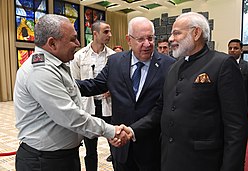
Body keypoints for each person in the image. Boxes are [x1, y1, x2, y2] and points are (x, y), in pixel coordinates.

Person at [121, 12, 248, 171]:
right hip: (169, 159)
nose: (170, 39)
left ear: (196, 33)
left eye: (176, 33)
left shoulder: (222, 64)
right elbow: (160, 110)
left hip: (204, 162)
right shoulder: (174, 67)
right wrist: (133, 130)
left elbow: (236, 127)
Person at [13, 14, 125, 171]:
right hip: (44, 162)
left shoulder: (58, 65)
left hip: (63, 157)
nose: (78, 44)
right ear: (52, 43)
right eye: (73, 39)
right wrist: (111, 130)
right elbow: (70, 116)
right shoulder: (41, 71)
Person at [76, 16, 176, 171]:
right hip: (121, 149)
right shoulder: (116, 61)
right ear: (129, 40)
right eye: (141, 39)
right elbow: (95, 85)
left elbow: (162, 107)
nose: (147, 44)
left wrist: (133, 131)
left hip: (151, 148)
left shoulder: (169, 66)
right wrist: (65, 84)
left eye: (150, 38)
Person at [70, 20, 115, 170]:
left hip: (108, 106)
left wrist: (112, 90)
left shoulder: (113, 56)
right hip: (88, 107)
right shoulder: (79, 56)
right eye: (106, 32)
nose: (110, 35)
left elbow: (118, 81)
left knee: (114, 147)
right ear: (95, 34)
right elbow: (74, 83)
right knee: (90, 150)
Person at [228, 39, 248, 138]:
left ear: (241, 50)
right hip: (226, 105)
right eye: (230, 48)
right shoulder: (222, 64)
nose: (232, 50)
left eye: (236, 48)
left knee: (240, 135)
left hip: (242, 106)